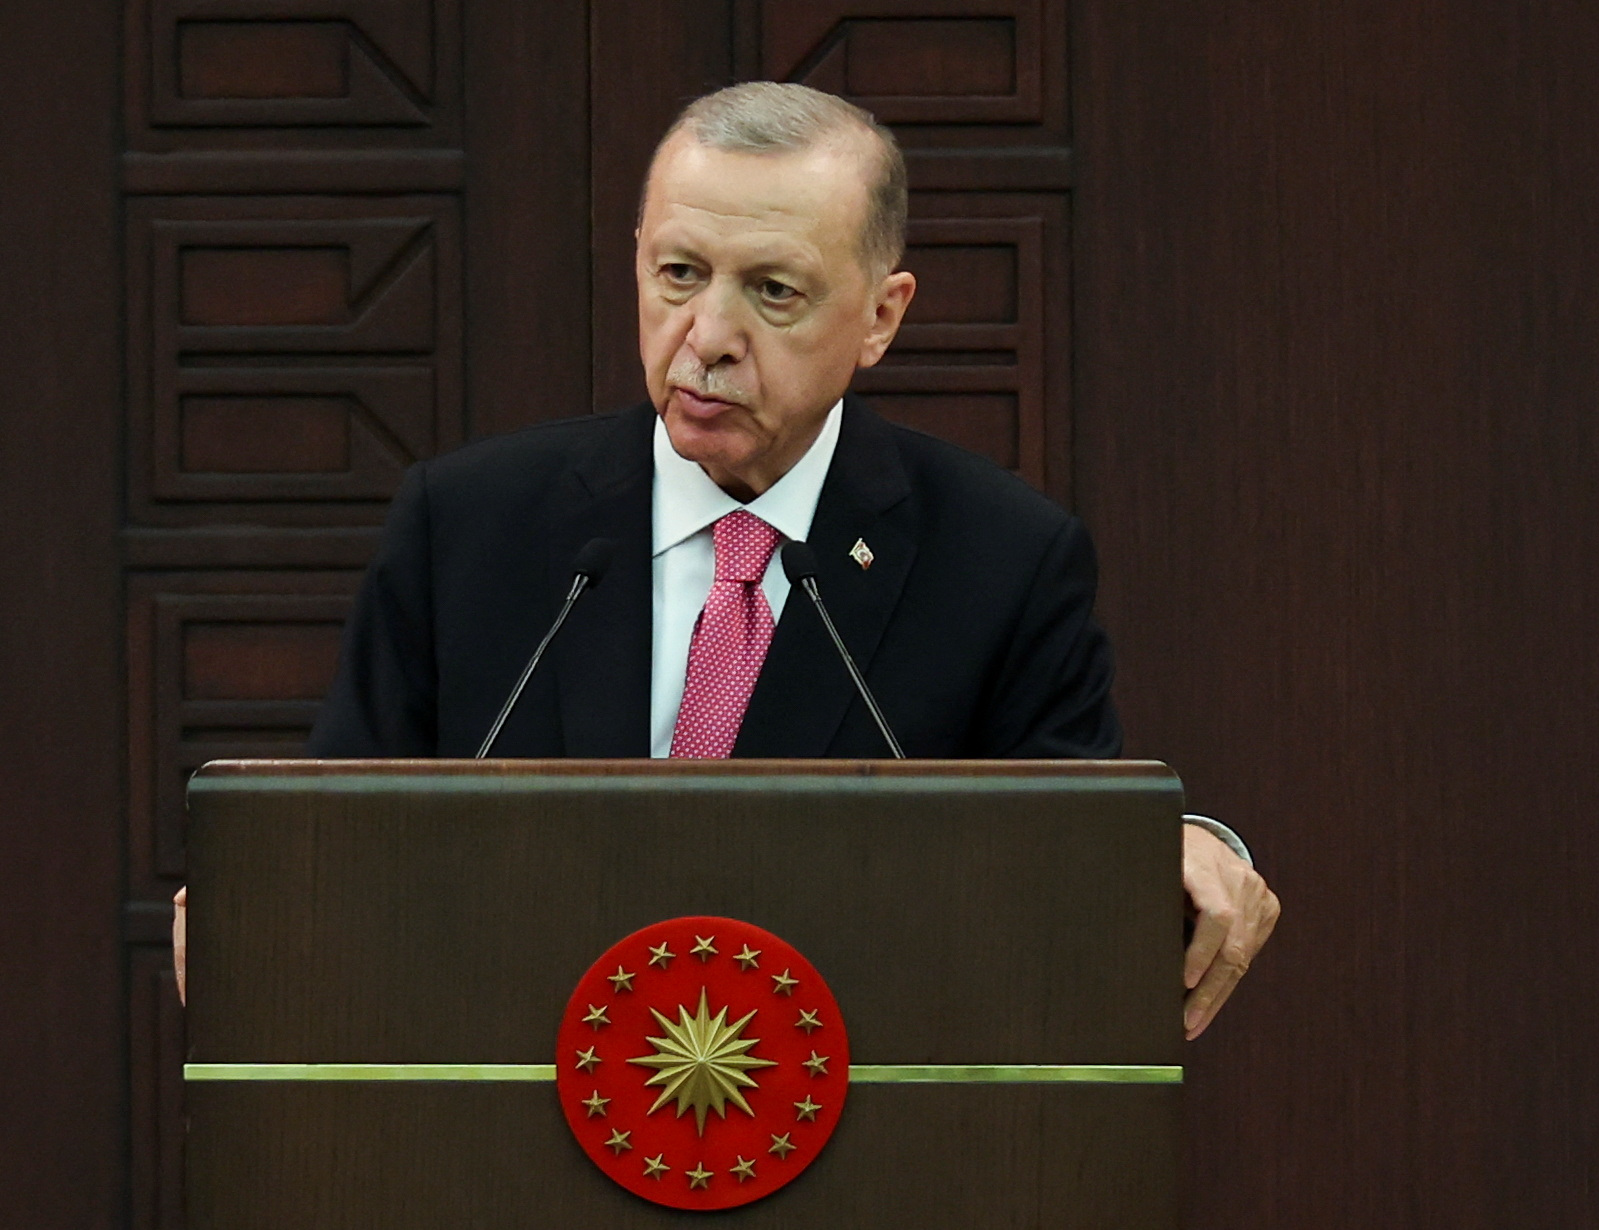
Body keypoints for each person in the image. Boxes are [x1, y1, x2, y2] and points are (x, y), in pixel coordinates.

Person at [173, 82, 1278, 1039]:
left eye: (772, 290)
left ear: (881, 317)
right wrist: (257, 891)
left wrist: (1187, 844)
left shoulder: (1002, 560)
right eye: (678, 273)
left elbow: (1077, 858)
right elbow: (332, 830)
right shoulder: (471, 525)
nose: (705, 334)